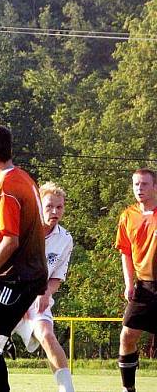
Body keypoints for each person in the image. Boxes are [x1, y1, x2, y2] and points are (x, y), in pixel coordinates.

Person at [0, 124, 48, 392]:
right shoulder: (26, 179)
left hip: (18, 277)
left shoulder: (6, 188)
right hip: (26, 274)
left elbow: (10, 241)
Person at [0, 181, 75, 392]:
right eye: (49, 206)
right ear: (39, 206)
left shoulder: (65, 238)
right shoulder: (22, 229)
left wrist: (45, 293)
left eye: (59, 207)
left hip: (36, 299)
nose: (55, 211)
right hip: (8, 294)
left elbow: (57, 277)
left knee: (48, 336)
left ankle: (67, 389)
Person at [115, 168, 157, 392]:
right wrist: (129, 283)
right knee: (127, 335)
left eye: (144, 184)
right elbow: (126, 252)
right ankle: (127, 388)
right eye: (136, 184)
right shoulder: (127, 216)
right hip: (144, 287)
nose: (139, 189)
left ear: (155, 187)